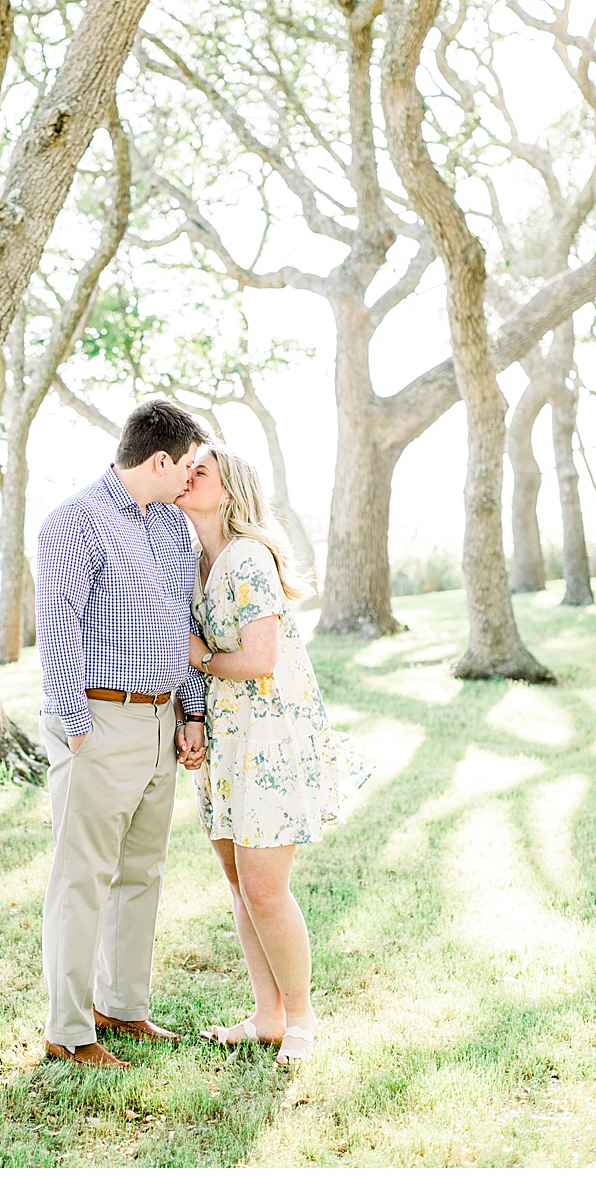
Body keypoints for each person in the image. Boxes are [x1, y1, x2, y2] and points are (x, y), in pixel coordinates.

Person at [174, 443, 369, 1068]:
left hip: (267, 738)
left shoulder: (248, 559)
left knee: (265, 887)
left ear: (227, 490)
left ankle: (303, 1019)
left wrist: (197, 656)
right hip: (228, 740)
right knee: (238, 884)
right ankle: (266, 1015)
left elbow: (259, 660)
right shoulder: (199, 564)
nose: (184, 475)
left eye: (197, 471)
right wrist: (195, 714)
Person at [35, 398, 210, 1070]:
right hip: (99, 721)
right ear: (159, 459)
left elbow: (181, 626)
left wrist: (189, 712)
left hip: (160, 719)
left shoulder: (170, 527)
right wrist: (78, 730)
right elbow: (56, 631)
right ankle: (70, 1031)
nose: (190, 480)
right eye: (187, 467)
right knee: (82, 878)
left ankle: (122, 1007)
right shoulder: (74, 523)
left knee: (142, 872)